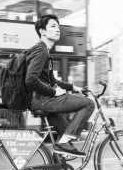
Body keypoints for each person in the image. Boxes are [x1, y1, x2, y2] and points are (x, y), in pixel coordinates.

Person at [25, 14, 95, 158]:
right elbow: (30, 79)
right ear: (42, 31)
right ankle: (64, 143)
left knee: (64, 133)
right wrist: (53, 92)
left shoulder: (44, 51)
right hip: (43, 100)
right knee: (88, 104)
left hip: (40, 100)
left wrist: (73, 88)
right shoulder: (41, 51)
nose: (58, 29)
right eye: (53, 26)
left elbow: (52, 81)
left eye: (58, 26)